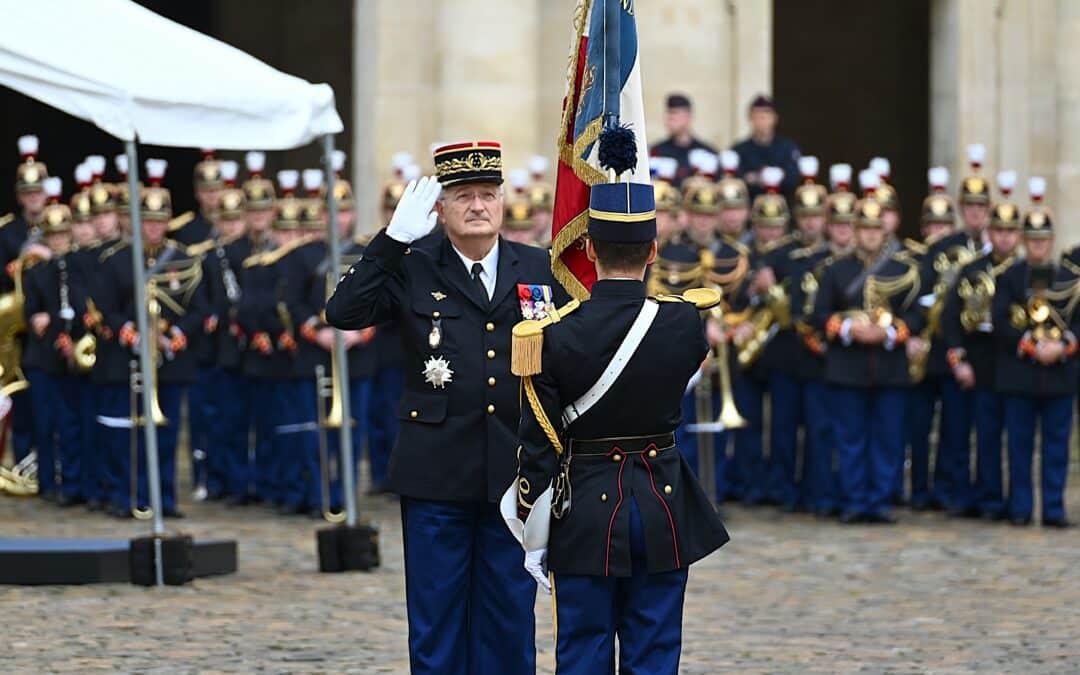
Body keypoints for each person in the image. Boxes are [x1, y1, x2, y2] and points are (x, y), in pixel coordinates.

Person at [325, 140, 569, 674]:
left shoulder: (540, 267)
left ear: (503, 201)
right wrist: (391, 241)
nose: (477, 205)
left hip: (516, 474)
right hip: (436, 471)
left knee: (508, 619)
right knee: (436, 620)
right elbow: (344, 312)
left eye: (488, 194)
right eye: (462, 196)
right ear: (439, 206)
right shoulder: (414, 265)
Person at [502, 177, 729, 674]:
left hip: (583, 509)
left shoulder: (551, 334)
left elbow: (538, 442)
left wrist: (530, 521)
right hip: (663, 503)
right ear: (653, 250)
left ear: (586, 248)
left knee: (583, 650)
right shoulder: (684, 322)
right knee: (655, 649)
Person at [95, 159, 209, 518]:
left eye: (160, 221)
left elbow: (200, 308)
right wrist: (135, 336)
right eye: (147, 220)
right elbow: (105, 308)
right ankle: (128, 495)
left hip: (170, 360)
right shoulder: (115, 260)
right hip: (129, 359)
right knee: (127, 435)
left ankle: (165, 497)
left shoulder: (184, 259)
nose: (154, 228)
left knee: (167, 434)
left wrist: (173, 336)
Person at [812, 192, 920, 524]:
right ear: (856, 231)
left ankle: (880, 501)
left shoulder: (904, 269)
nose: (871, 234)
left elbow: (916, 314)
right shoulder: (835, 270)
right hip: (848, 366)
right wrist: (847, 329)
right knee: (850, 438)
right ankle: (855, 500)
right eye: (865, 228)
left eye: (876, 229)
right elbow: (819, 313)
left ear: (884, 232)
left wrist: (890, 332)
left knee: (888, 438)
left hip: (890, 367)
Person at [991, 178, 1078, 528]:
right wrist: (1029, 344)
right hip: (1020, 372)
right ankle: (1021, 507)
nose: (1039, 246)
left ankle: (1054, 509)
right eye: (1033, 240)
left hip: (1060, 372)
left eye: (1044, 240)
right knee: (1019, 448)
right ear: (1025, 241)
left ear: (1051, 241)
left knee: (1057, 449)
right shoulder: (1010, 277)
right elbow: (999, 319)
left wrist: (1063, 344)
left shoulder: (1069, 278)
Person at [940, 171, 1021, 521]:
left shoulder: (1022, 271)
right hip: (976, 352)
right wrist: (958, 360)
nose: (1003, 238)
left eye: (1010, 232)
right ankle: (963, 495)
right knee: (961, 432)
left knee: (995, 435)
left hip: (1009, 357)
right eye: (998, 230)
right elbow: (949, 319)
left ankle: (994, 496)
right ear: (990, 230)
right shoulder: (972, 268)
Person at [730, 95, 801, 203]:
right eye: (757, 116)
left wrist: (757, 178)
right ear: (750, 118)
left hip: (782, 209)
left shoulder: (788, 148)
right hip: (751, 210)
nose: (762, 121)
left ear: (775, 118)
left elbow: (793, 180)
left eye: (766, 115)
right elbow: (736, 183)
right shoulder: (739, 150)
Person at [650, 93, 718, 187]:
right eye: (668, 114)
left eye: (675, 114)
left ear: (688, 117)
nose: (670, 119)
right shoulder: (657, 151)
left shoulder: (707, 152)